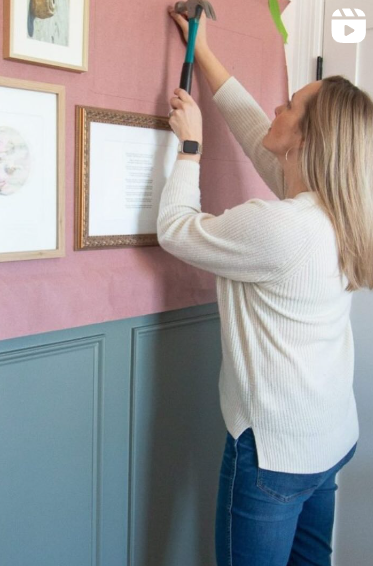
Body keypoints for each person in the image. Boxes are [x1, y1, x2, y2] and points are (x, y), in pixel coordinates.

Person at [158, 6, 373, 565]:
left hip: (274, 454)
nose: (277, 105)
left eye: (291, 104)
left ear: (306, 138)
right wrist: (201, 49)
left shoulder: (281, 225)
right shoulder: (339, 212)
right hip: (327, 441)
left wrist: (189, 145)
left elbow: (176, 230)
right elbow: (256, 126)